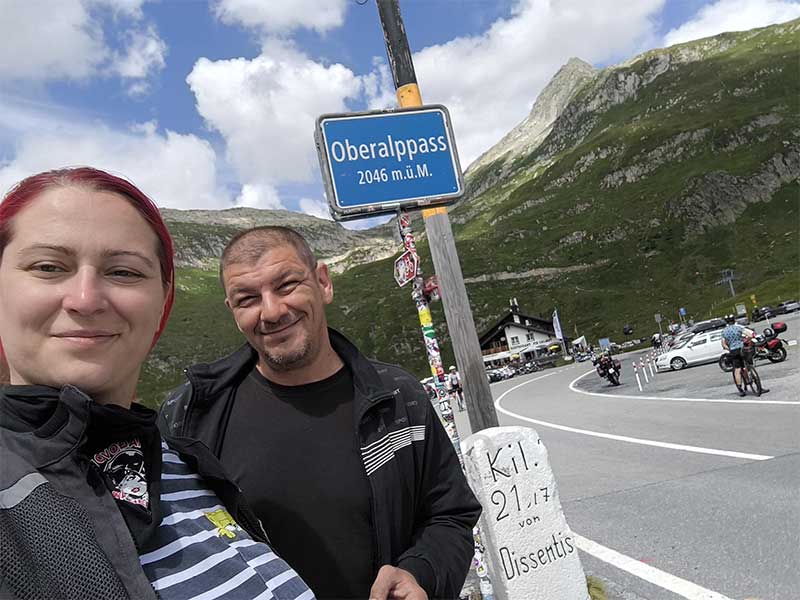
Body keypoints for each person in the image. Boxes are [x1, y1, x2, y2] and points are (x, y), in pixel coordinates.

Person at [0, 168, 313, 600]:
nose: (86, 300)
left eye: (124, 272)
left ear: (163, 302)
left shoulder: (187, 462)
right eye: (49, 267)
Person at [159, 226, 481, 600]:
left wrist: (420, 573)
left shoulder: (397, 397)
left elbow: (449, 514)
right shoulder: (191, 415)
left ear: (323, 282)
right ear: (232, 311)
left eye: (287, 285)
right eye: (248, 298)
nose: (272, 311)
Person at [720, 313, 768, 396]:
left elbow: (723, 344)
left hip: (733, 350)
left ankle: (740, 389)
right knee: (748, 364)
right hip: (743, 349)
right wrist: (746, 339)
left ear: (726, 322)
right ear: (734, 320)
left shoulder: (724, 331)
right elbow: (751, 335)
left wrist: (729, 348)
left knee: (737, 369)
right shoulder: (738, 327)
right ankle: (758, 385)